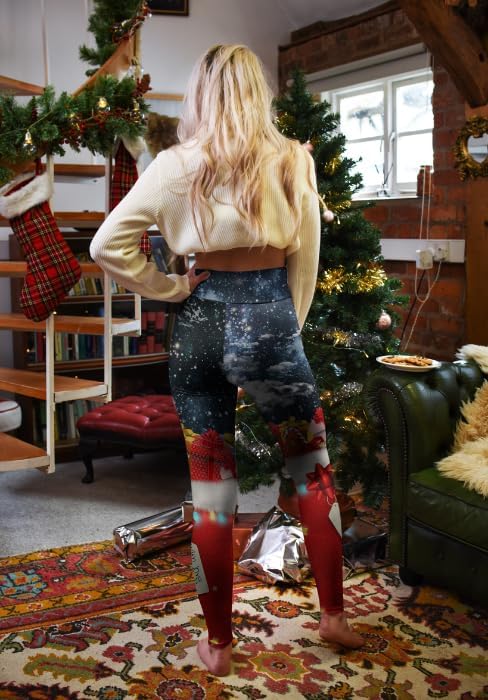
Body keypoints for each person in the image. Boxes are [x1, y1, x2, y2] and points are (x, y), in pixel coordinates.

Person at [90, 43, 363, 677]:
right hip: (269, 318)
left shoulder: (173, 164)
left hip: (200, 327)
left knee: (212, 493)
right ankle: (333, 617)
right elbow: (306, 260)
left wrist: (168, 288)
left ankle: (217, 645)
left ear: (201, 96)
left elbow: (108, 245)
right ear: (257, 93)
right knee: (313, 475)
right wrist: (284, 332)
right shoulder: (292, 159)